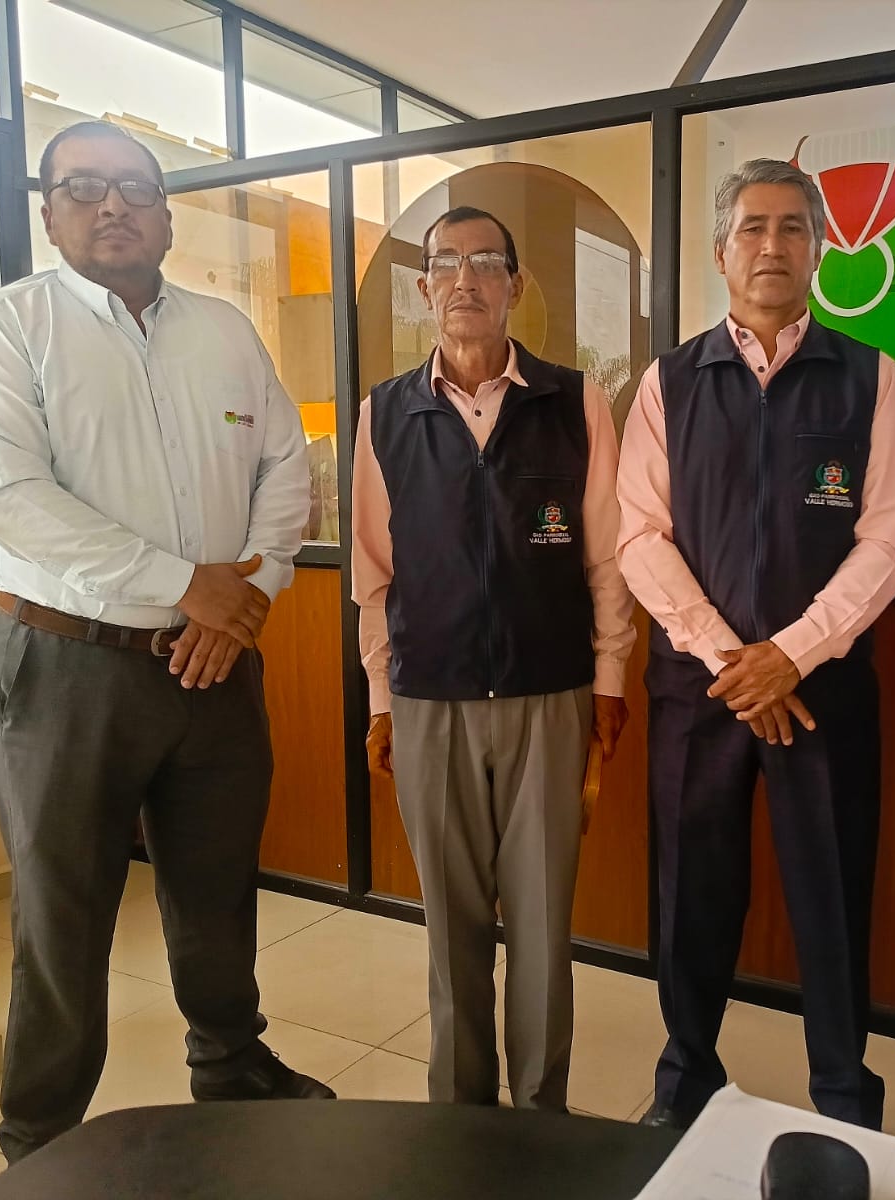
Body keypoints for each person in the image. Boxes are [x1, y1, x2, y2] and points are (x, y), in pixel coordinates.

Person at [0, 121, 332, 1163]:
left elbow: (284, 469)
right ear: (49, 212)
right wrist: (188, 587)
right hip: (64, 668)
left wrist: (248, 596)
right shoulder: (4, 330)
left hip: (215, 668)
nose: (112, 204)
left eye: (134, 188)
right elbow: (14, 501)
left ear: (165, 217)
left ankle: (231, 1065)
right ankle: (40, 1137)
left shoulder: (225, 332)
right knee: (63, 916)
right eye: (84, 186)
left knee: (217, 888)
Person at [617, 158, 895, 1131]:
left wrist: (793, 653)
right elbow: (638, 536)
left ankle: (844, 1100)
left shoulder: (869, 377)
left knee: (832, 896)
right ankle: (684, 1083)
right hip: (698, 692)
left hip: (822, 692)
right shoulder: (668, 382)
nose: (772, 245)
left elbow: (887, 540)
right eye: (753, 227)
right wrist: (731, 660)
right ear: (721, 251)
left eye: (793, 227)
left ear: (821, 250)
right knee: (689, 896)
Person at [351, 206, 635, 1110]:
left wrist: (609, 681)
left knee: (544, 924)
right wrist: (381, 699)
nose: (464, 280)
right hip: (429, 698)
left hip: (548, 694)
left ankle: (541, 1115)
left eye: (484, 262)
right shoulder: (386, 414)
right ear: (424, 286)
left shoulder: (573, 402)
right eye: (445, 263)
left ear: (516, 284)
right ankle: (460, 1117)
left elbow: (607, 559)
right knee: (452, 928)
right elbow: (373, 574)